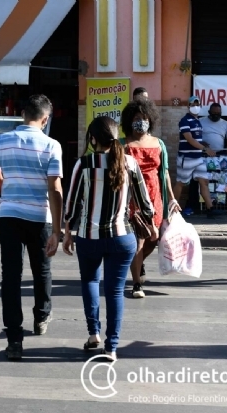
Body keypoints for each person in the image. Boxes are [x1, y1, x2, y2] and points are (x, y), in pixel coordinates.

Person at [63, 116, 155, 361]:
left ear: (93, 139)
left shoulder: (83, 164)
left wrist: (66, 232)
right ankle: (111, 347)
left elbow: (70, 205)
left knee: (90, 282)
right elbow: (146, 205)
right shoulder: (130, 163)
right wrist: (146, 221)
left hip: (88, 237)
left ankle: (93, 334)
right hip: (122, 238)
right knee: (115, 291)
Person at [0, 94, 62, 360]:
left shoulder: (2, 141)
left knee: (11, 276)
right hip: (39, 217)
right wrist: (58, 229)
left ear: (23, 115)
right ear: (45, 118)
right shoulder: (52, 145)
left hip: (9, 216)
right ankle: (42, 316)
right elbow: (55, 188)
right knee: (42, 270)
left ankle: (14, 338)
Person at [120, 99, 180, 298]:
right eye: (137, 118)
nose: (141, 122)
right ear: (129, 121)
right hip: (133, 199)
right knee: (138, 240)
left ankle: (136, 263)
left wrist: (172, 198)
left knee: (153, 239)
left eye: (144, 118)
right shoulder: (123, 144)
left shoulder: (159, 143)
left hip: (156, 198)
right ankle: (137, 284)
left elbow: (164, 174)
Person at [173, 96, 216, 218]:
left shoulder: (198, 121)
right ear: (188, 106)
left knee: (204, 182)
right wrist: (205, 149)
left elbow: (197, 139)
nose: (195, 106)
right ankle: (173, 209)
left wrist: (203, 144)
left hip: (198, 157)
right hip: (186, 158)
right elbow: (189, 139)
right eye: (193, 104)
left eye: (197, 104)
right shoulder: (184, 121)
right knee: (181, 183)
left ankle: (210, 209)